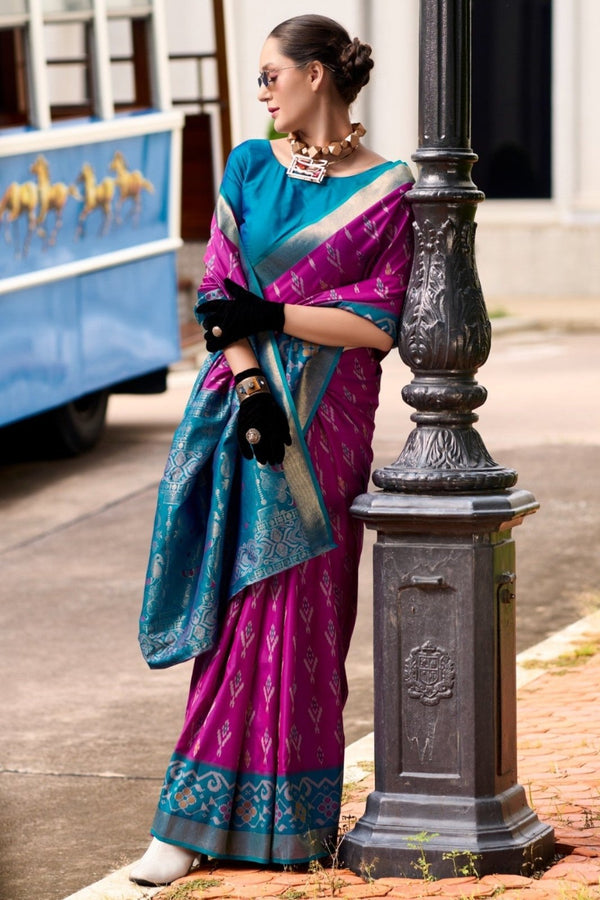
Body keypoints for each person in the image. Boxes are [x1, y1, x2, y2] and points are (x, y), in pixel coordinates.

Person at [130, 13, 414, 886]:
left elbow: (380, 323)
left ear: (319, 74)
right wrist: (253, 380)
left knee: (302, 610)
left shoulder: (392, 189)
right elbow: (220, 292)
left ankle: (290, 828)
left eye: (270, 75)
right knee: (237, 602)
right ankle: (185, 822)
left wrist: (275, 316)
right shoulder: (249, 167)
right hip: (248, 412)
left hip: (327, 423)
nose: (263, 91)